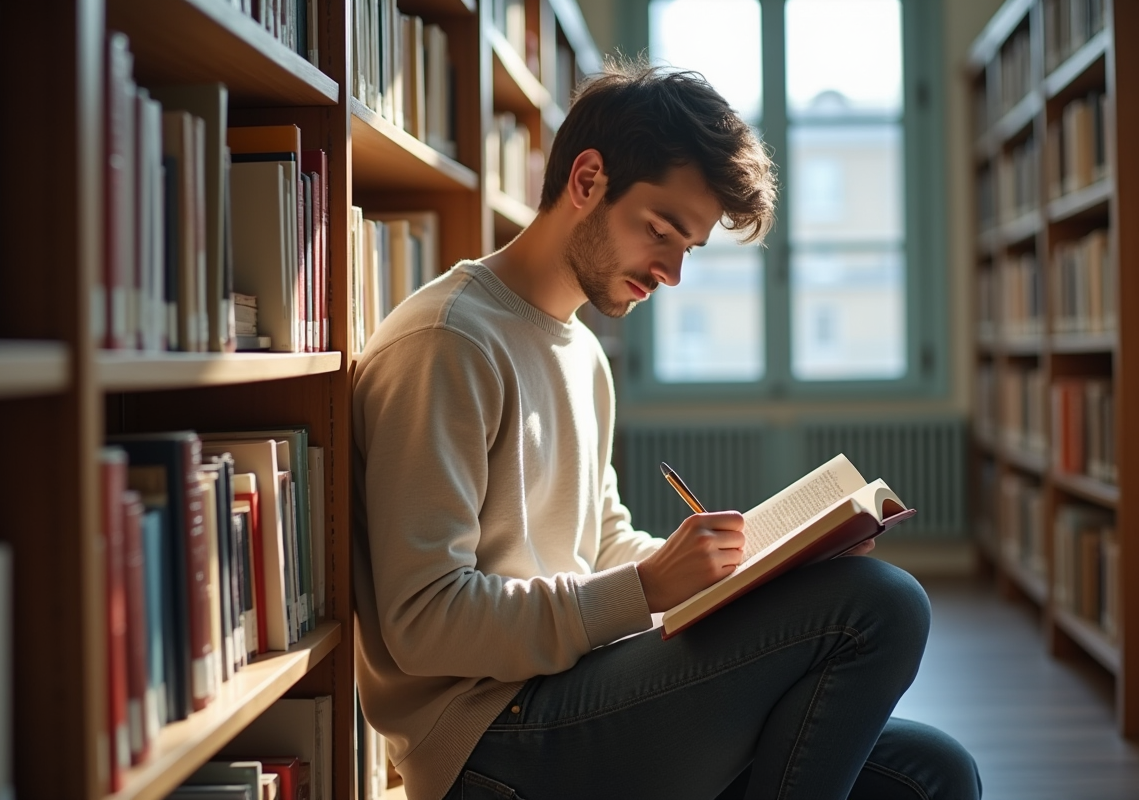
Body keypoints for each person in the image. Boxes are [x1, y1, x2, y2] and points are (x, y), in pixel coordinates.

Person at [351, 61, 982, 800]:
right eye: (660, 231)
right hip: (489, 739)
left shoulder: (581, 351)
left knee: (933, 774)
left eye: (690, 247)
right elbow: (424, 623)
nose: (673, 273)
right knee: (884, 603)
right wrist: (648, 587)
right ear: (587, 180)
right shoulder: (449, 342)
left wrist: (758, 569)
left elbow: (602, 545)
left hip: (571, 686)